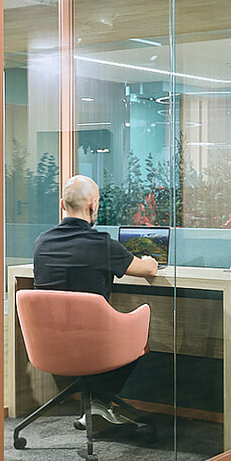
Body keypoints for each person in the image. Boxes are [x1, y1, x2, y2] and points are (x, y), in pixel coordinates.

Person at [32, 174, 158, 426]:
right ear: (93, 205)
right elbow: (147, 270)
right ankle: (100, 401)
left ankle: (98, 403)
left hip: (47, 345)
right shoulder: (101, 244)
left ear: (61, 205)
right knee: (139, 337)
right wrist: (151, 261)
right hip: (94, 345)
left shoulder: (41, 243)